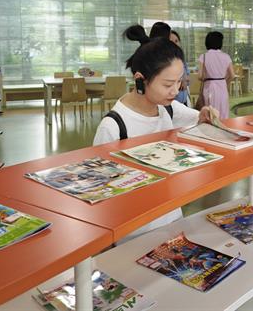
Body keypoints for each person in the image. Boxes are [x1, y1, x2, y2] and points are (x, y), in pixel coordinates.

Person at [93, 25, 218, 241]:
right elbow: (99, 190)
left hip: (172, 220)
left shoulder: (167, 107)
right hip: (134, 232)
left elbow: (198, 117)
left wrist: (205, 113)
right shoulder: (113, 126)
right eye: (168, 84)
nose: (176, 91)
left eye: (179, 82)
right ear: (140, 80)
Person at [198, 31, 234, 119]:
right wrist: (226, 83)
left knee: (210, 112)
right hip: (222, 86)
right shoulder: (226, 56)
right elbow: (232, 75)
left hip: (209, 87)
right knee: (223, 112)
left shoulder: (203, 56)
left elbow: (200, 76)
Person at [170, 30, 189, 106]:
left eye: (176, 41)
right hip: (172, 103)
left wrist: (185, 78)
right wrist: (181, 80)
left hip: (184, 101)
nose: (174, 44)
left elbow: (188, 78)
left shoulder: (182, 58)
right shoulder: (166, 60)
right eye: (171, 42)